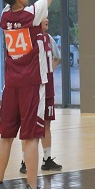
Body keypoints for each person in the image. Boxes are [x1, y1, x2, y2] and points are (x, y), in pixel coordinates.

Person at [0, 0, 75, 189]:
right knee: (31, 138)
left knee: (6, 137)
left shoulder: (5, 16)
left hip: (11, 85)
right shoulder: (33, 14)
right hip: (32, 84)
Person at [19, 17, 63, 174]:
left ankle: (47, 159)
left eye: (47, 17)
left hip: (48, 88)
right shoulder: (29, 39)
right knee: (28, 125)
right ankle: (25, 160)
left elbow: (57, 57)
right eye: (44, 17)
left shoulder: (49, 38)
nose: (47, 20)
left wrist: (48, 71)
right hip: (33, 88)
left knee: (46, 124)